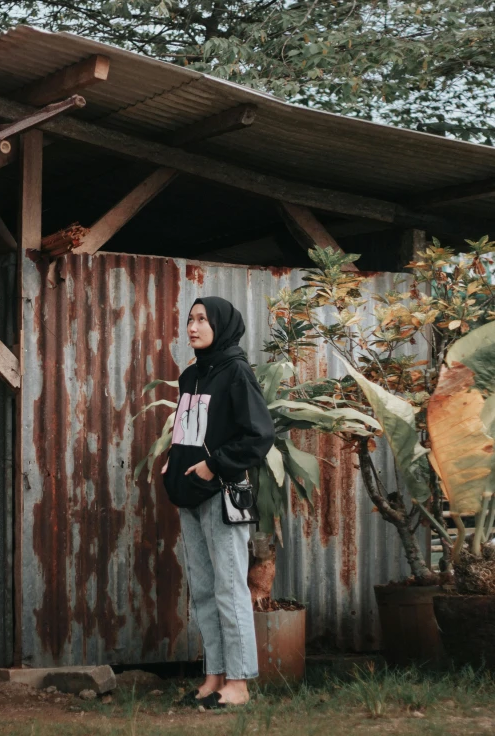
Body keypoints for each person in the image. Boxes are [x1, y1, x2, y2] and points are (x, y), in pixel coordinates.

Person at [161, 296, 275, 709]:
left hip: (221, 496)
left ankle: (239, 684)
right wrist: (174, 465)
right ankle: (214, 678)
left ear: (222, 325)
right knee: (205, 592)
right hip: (188, 497)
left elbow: (259, 436)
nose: (192, 327)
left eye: (202, 320)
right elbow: (188, 430)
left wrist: (214, 467)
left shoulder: (236, 373)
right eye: (190, 319)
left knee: (230, 590)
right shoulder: (191, 376)